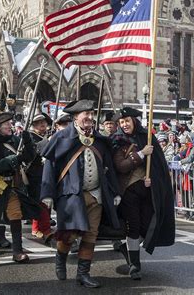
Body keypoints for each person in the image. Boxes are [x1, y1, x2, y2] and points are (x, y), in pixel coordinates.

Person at [40, 100, 121, 287]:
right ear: (76, 117)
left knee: (90, 235)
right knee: (69, 234)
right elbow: (50, 168)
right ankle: (60, 258)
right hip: (70, 195)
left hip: (96, 195)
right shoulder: (62, 138)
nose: (90, 118)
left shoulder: (99, 140)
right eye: (86, 115)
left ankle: (83, 274)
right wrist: (47, 194)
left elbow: (109, 167)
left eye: (92, 115)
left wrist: (114, 191)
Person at [111, 107, 175, 280]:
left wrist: (151, 178)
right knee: (133, 226)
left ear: (134, 121)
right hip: (128, 193)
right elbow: (121, 166)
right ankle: (135, 265)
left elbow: (158, 165)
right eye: (121, 122)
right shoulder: (117, 140)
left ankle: (128, 250)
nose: (124, 125)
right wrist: (141, 153)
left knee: (148, 226)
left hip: (147, 192)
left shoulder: (146, 137)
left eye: (127, 121)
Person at [0, 112, 40, 263]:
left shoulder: (15, 140)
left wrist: (28, 142)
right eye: (7, 124)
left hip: (12, 185)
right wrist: (13, 159)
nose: (10, 126)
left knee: (15, 215)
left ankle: (17, 251)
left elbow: (28, 157)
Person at [28, 113, 52, 240]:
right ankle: (40, 228)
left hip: (47, 173)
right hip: (36, 173)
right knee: (40, 202)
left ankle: (43, 226)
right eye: (39, 123)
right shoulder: (31, 137)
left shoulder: (47, 136)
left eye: (44, 122)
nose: (42, 125)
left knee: (47, 202)